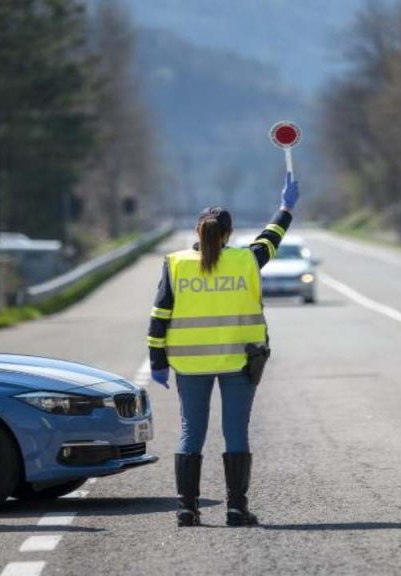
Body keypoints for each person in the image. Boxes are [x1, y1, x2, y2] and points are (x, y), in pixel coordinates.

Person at [147, 172, 299, 527]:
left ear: (197, 232)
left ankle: (187, 509)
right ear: (228, 234)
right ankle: (236, 509)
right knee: (236, 432)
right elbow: (272, 238)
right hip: (239, 362)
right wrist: (286, 207)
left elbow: (159, 316)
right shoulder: (247, 260)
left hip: (189, 364)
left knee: (190, 433)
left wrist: (157, 361)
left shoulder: (175, 264)